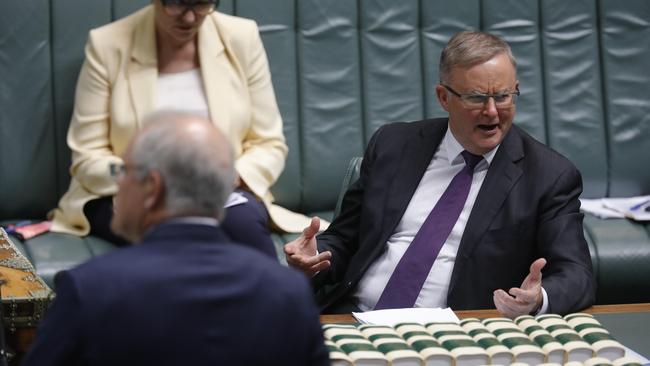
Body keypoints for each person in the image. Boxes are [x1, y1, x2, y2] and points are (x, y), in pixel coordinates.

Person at [285, 31, 596, 318]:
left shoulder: (549, 176)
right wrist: (314, 257)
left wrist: (538, 298)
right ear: (444, 97)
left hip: (455, 335)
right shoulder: (394, 145)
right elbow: (344, 239)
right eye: (476, 98)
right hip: (355, 318)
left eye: (503, 96)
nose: (492, 111)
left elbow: (576, 274)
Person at [22, 112, 329, 366]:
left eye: (124, 172)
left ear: (152, 188)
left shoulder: (88, 288)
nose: (118, 184)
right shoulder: (289, 292)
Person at [49, 0, 313, 256]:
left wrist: (229, 175)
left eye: (201, 3)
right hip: (133, 191)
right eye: (176, 3)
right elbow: (87, 156)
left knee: (244, 225)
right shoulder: (107, 44)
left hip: (220, 190)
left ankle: (277, 299)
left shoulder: (241, 37)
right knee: (170, 235)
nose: (189, 17)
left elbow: (269, 143)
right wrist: (148, 180)